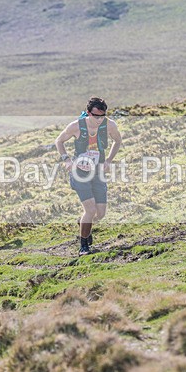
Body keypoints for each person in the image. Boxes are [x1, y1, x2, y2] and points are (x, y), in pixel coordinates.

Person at [55, 97, 122, 256]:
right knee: (90, 210)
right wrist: (66, 159)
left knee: (100, 214)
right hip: (80, 173)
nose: (100, 119)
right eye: (96, 116)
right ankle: (84, 246)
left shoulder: (110, 125)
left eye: (103, 116)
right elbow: (59, 141)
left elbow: (117, 141)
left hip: (98, 172)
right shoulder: (76, 126)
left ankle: (83, 223)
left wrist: (108, 160)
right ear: (88, 113)